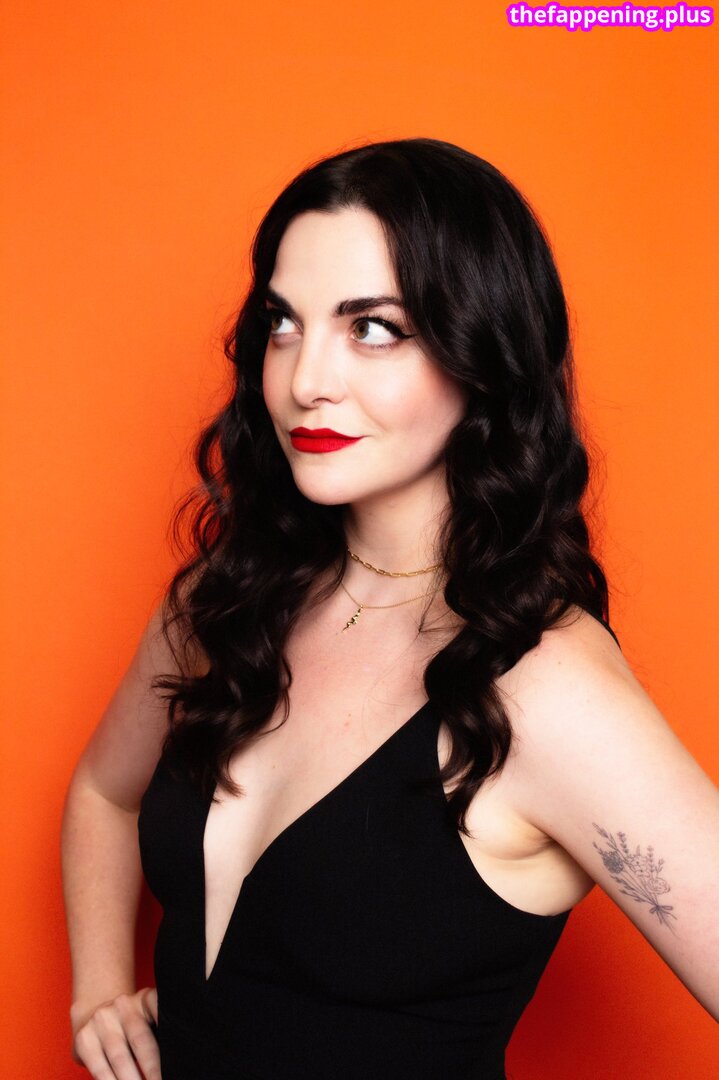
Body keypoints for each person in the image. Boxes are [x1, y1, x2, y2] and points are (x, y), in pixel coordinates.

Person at [61, 137, 719, 1080]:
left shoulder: (546, 687)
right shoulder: (227, 598)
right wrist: (98, 990)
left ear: (482, 351)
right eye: (283, 324)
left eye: (372, 327)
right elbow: (103, 792)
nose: (305, 381)